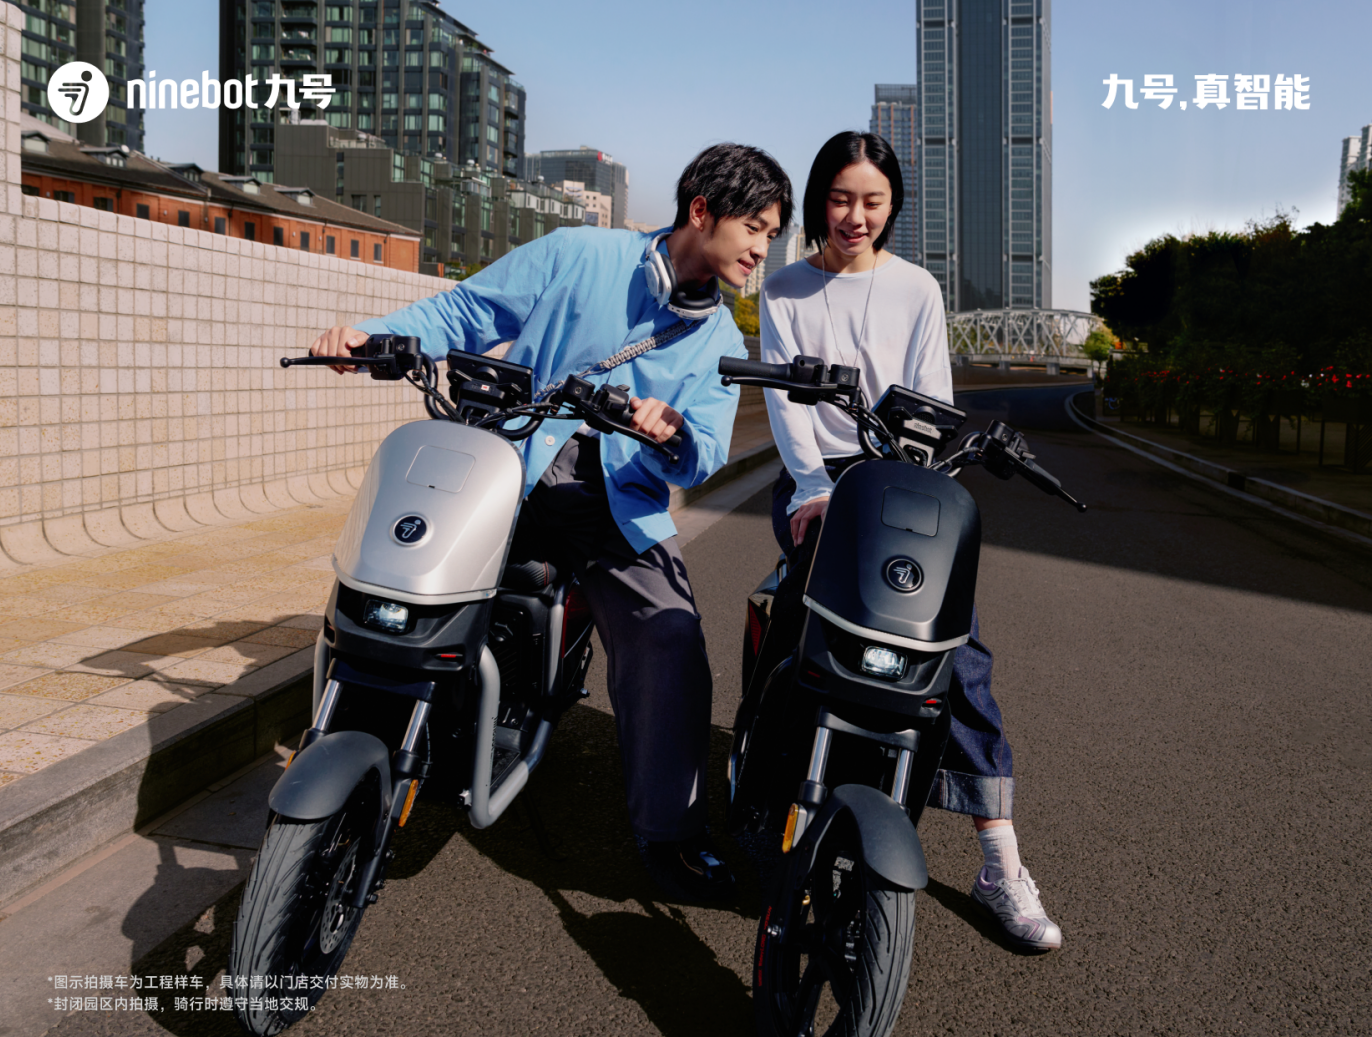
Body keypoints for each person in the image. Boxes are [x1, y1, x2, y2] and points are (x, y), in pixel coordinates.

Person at [309, 143, 794, 903]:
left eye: (772, 234)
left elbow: (702, 456)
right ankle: (371, 733)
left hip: (615, 504)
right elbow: (467, 310)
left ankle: (671, 833)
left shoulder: (721, 342)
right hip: (504, 468)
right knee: (395, 567)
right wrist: (371, 337)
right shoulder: (578, 253)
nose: (762, 248)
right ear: (702, 211)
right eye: (754, 227)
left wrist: (670, 434)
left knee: (668, 635)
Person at [757, 131, 1062, 950]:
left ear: (892, 207)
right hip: (819, 478)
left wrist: (920, 484)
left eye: (873, 201)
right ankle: (770, 774)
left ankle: (1000, 859)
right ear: (818, 199)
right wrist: (814, 488)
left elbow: (932, 401)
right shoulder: (783, 289)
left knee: (955, 643)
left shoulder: (917, 288)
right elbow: (786, 407)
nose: (855, 216)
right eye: (840, 198)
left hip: (901, 478)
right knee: (807, 612)